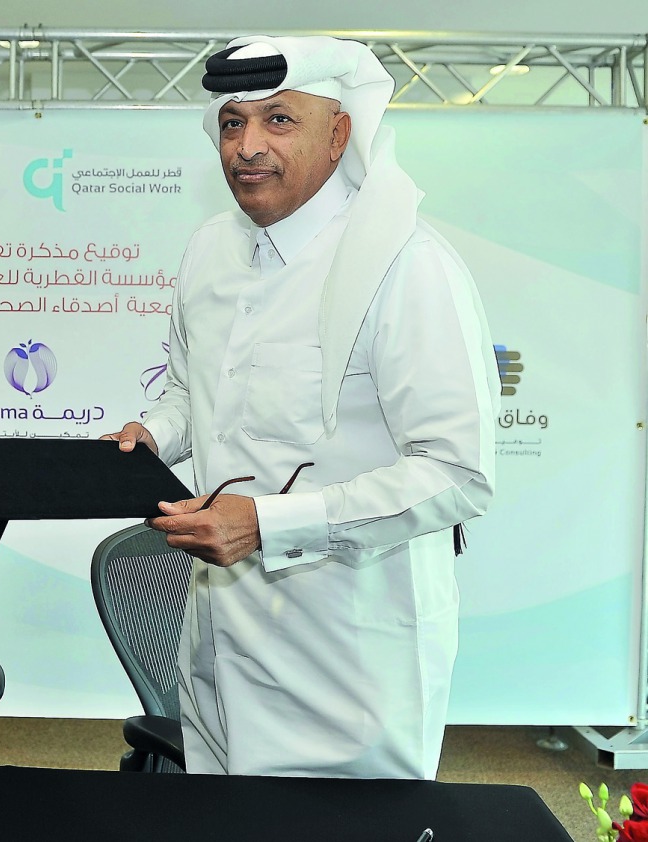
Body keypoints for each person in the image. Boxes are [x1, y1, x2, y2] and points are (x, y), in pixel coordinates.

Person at [104, 35, 499, 779]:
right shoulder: (209, 252)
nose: (247, 146)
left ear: (339, 132)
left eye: (278, 120)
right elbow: (195, 392)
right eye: (231, 123)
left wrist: (267, 524)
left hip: (348, 660)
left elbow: (457, 473)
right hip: (218, 637)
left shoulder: (406, 266)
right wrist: (151, 433)